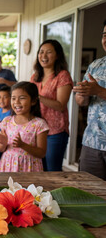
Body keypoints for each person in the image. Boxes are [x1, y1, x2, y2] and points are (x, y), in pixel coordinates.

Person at [30, 40, 73, 171]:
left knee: (53, 170)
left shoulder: (62, 76)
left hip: (55, 131)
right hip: (37, 130)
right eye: (41, 52)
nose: (44, 56)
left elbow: (60, 105)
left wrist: (37, 97)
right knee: (38, 168)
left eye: (49, 52)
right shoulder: (35, 76)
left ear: (57, 55)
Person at [73, 20, 106, 180]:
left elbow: (98, 91)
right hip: (91, 142)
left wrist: (99, 91)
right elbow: (82, 102)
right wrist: (82, 95)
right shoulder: (95, 66)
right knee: (89, 193)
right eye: (105, 35)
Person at [0, 82, 49, 172]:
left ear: (33, 101)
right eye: (13, 98)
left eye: (22, 98)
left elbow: (42, 153)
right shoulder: (7, 121)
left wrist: (23, 145)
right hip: (8, 166)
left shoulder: (39, 124)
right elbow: (0, 149)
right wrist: (3, 143)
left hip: (29, 168)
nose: (16, 102)